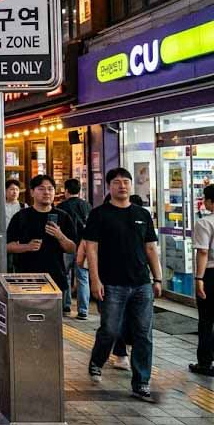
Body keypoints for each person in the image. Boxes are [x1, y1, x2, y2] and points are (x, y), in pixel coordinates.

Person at [84, 168, 162, 402]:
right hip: (111, 283)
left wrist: (157, 278)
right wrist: (95, 279)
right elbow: (91, 248)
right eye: (117, 182)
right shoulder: (99, 214)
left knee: (143, 334)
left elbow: (150, 248)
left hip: (141, 284)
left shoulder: (142, 214)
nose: (122, 186)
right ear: (109, 186)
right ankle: (97, 360)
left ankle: (141, 383)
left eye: (126, 182)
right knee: (110, 330)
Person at [7, 175, 77, 292]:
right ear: (32, 192)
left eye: (50, 189)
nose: (46, 192)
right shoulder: (21, 216)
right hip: (27, 278)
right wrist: (27, 247)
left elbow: (72, 248)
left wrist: (60, 236)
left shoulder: (63, 216)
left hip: (56, 278)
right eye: (41, 189)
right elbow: (7, 246)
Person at [58, 179, 92, 320]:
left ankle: (65, 305)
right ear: (79, 191)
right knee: (82, 278)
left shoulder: (61, 207)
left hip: (66, 247)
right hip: (83, 247)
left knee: (65, 276)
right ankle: (83, 310)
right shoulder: (87, 206)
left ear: (66, 190)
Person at [192, 184, 214, 376]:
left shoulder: (205, 223)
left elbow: (203, 252)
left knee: (206, 320)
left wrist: (199, 278)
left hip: (211, 275)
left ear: (210, 202)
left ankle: (205, 363)